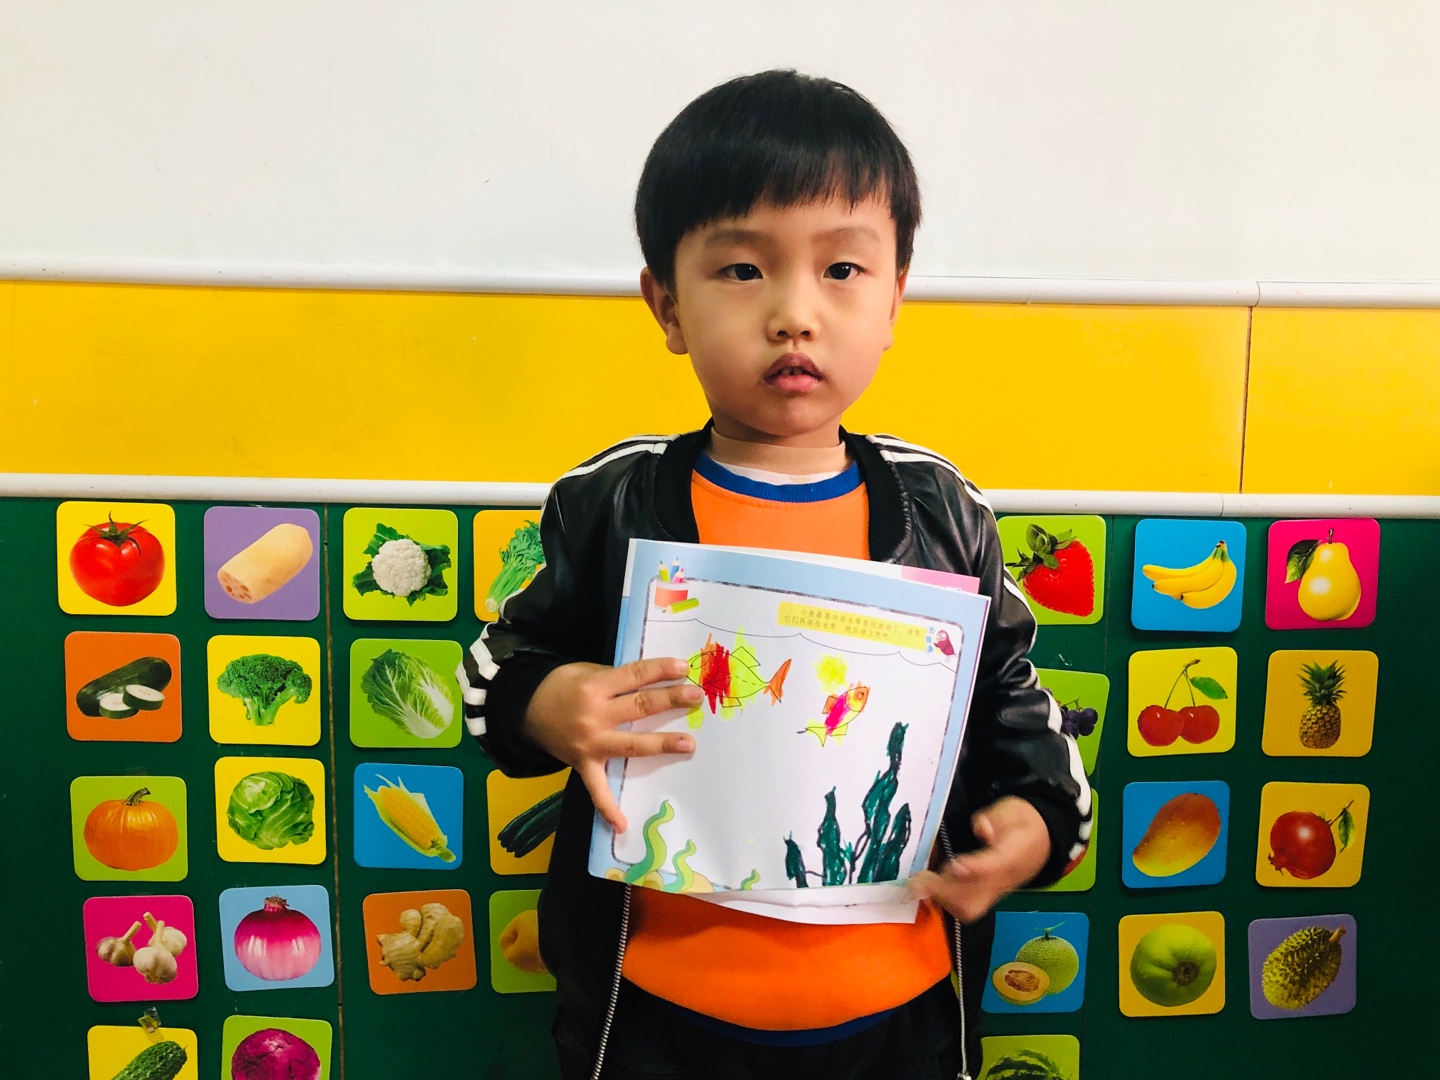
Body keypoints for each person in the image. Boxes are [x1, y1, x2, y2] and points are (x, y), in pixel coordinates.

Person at [461, 69, 1092, 1080]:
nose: (795, 314)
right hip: (656, 1020)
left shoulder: (943, 511)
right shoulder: (611, 501)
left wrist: (1037, 821)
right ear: (667, 305)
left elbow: (1014, 707)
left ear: (894, 299)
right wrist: (550, 701)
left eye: (842, 269)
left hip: (895, 1017)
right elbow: (497, 667)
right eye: (743, 270)